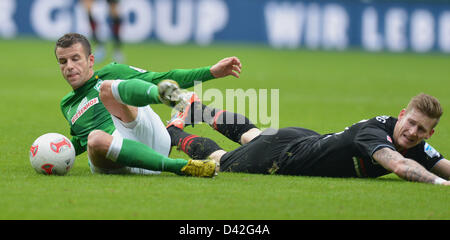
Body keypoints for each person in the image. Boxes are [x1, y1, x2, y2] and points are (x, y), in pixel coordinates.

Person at [161, 88, 450, 185]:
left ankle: (197, 108)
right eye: (410, 123)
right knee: (221, 161)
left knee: (253, 136)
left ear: (430, 133)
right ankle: (173, 133)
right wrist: (440, 184)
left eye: (421, 130)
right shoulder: (376, 132)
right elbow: (399, 166)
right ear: (401, 115)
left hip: (301, 139)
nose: (413, 132)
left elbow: (441, 162)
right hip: (285, 157)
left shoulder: (414, 144)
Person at [54, 32, 242, 177]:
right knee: (95, 139)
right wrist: (55, 153)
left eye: (75, 58)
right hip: (116, 164)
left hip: (149, 138)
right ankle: (180, 166)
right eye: (63, 61)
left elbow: (159, 77)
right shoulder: (67, 105)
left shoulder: (112, 71)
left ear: (91, 60)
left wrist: (211, 72)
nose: (69, 66)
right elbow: (80, 141)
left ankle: (162, 95)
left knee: (106, 88)